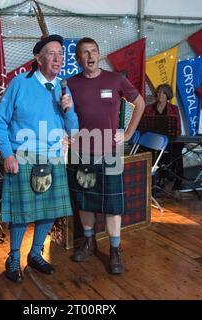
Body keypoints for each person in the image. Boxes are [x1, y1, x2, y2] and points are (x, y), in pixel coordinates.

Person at [0, 34, 79, 283]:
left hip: (53, 158)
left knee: (50, 212)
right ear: (38, 58)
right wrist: (7, 154)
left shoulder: (63, 88)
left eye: (60, 54)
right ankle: (13, 257)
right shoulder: (20, 83)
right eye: (52, 53)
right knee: (21, 214)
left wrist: (69, 109)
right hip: (23, 159)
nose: (58, 58)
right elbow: (0, 121)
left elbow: (73, 131)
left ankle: (35, 253)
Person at [67, 37, 145, 274]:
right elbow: (64, 114)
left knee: (113, 205)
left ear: (99, 54)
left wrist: (129, 133)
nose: (90, 56)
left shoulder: (115, 79)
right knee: (85, 201)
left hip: (110, 153)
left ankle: (114, 249)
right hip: (81, 153)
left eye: (93, 51)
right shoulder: (70, 84)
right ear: (78, 58)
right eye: (84, 52)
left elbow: (140, 103)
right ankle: (89, 242)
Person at [144, 83, 202, 192]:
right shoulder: (149, 108)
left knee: (177, 151)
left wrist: (170, 135)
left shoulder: (174, 108)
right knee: (147, 150)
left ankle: (178, 182)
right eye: (158, 92)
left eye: (163, 93)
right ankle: (154, 181)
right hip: (153, 140)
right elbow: (144, 126)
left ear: (167, 95)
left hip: (169, 139)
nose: (160, 95)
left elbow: (177, 128)